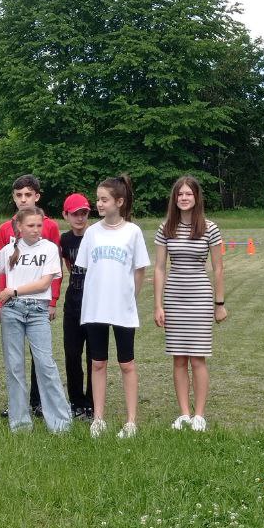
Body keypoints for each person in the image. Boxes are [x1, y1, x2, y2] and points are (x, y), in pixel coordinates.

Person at [77, 175, 150, 439]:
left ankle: (131, 421)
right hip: (95, 308)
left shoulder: (133, 232)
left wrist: (130, 296)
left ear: (119, 202)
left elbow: (139, 270)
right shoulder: (92, 232)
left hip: (122, 309)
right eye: (97, 199)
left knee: (127, 363)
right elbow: (85, 267)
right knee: (98, 362)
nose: (99, 204)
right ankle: (98, 418)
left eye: (104, 199)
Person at [153, 176, 227, 432]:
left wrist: (219, 303)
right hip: (174, 297)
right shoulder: (166, 228)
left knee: (198, 358)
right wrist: (158, 305)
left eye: (188, 194)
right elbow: (160, 268)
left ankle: (199, 416)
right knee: (178, 359)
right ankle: (184, 414)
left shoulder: (210, 228)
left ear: (196, 198)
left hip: (200, 297)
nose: (184, 198)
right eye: (180, 194)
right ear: (175, 198)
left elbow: (218, 268)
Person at [0, 208, 72, 433]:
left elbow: (44, 284)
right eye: (30, 225)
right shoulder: (7, 250)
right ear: (19, 227)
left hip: (38, 311)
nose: (36, 230)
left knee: (45, 364)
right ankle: (20, 423)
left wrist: (14, 291)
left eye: (39, 225)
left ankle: (60, 423)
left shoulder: (49, 248)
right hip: (12, 311)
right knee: (14, 366)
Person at [0, 175, 62, 416]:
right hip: (11, 304)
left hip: (38, 303)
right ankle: (18, 408)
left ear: (37, 196)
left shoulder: (49, 227)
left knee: (42, 359)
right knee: (14, 362)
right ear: (14, 198)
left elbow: (53, 270)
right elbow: (1, 271)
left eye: (28, 195)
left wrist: (53, 301)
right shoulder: (5, 229)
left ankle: (39, 402)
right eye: (19, 195)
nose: (23, 199)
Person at [58, 192, 93, 420]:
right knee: (72, 354)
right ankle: (75, 401)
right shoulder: (64, 240)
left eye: (84, 213)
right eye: (75, 214)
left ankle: (91, 402)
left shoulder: (95, 236)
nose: (80, 218)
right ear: (66, 215)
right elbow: (68, 266)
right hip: (73, 303)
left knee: (93, 356)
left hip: (94, 304)